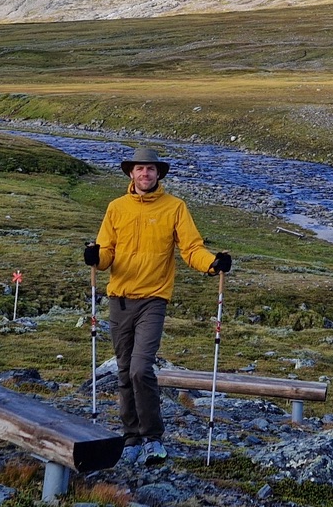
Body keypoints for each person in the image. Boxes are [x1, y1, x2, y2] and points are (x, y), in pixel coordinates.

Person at [84, 146, 232, 465]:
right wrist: (96, 257)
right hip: (120, 299)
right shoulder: (116, 208)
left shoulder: (175, 207)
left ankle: (152, 437)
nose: (145, 173)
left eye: (150, 169)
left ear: (158, 174)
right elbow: (106, 252)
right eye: (140, 168)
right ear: (131, 173)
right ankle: (131, 437)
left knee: (140, 369)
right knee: (125, 371)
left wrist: (212, 264)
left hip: (153, 299)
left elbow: (191, 248)